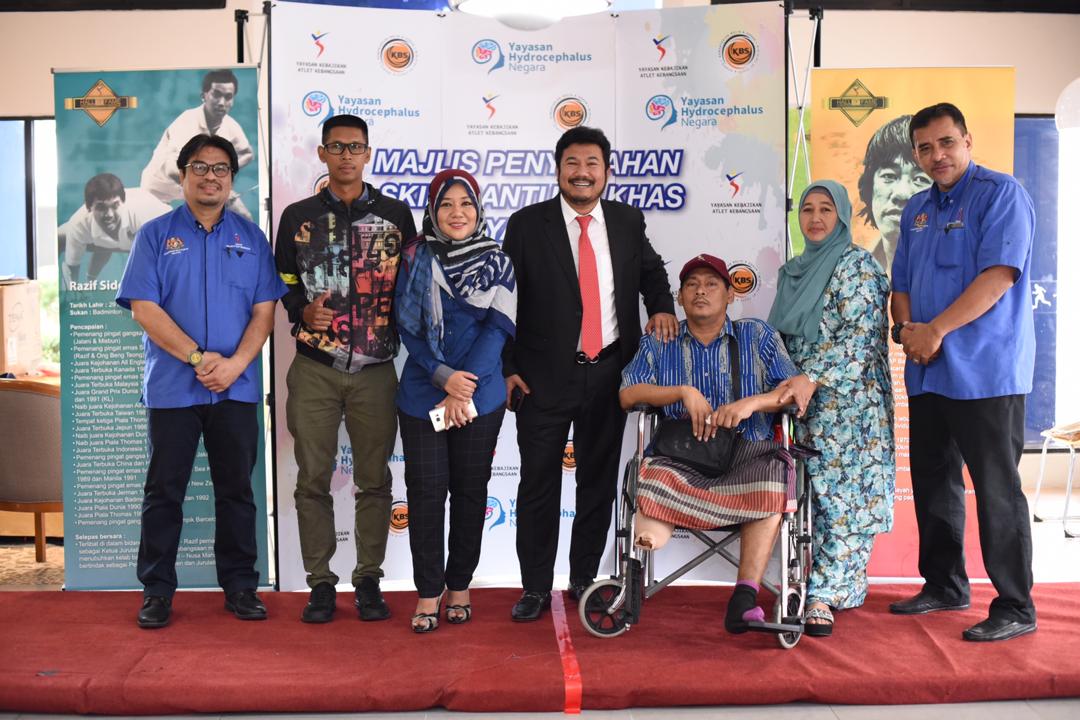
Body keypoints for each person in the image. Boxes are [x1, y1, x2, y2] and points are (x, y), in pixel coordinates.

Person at [502, 126, 677, 622]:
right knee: (537, 486)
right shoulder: (526, 225)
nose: (582, 173)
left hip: (609, 376)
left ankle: (583, 580)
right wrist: (508, 367)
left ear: (606, 171)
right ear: (558, 169)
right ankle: (535, 587)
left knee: (596, 485)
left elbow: (651, 273)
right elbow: (504, 301)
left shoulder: (626, 220)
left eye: (592, 163)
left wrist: (662, 307)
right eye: (573, 163)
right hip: (541, 379)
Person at [116, 134, 286, 628]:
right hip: (173, 388)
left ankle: (241, 586)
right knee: (164, 491)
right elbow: (144, 308)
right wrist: (196, 357)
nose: (210, 176)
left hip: (236, 387)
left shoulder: (251, 238)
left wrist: (235, 365)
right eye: (200, 167)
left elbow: (264, 311)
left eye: (220, 169)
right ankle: (156, 591)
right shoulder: (155, 235)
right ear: (182, 174)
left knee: (237, 491)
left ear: (232, 178)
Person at [890, 102, 1037, 642]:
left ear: (967, 140)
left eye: (947, 142)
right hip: (928, 371)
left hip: (986, 372)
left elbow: (998, 277)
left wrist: (936, 331)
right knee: (934, 482)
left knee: (997, 488)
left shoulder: (1001, 194)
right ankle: (945, 584)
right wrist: (908, 330)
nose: (938, 155)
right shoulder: (916, 209)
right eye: (925, 148)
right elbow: (901, 282)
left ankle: (1016, 605)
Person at [620, 254, 814, 635]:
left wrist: (751, 404)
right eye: (692, 285)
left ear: (730, 295)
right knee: (648, 474)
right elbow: (628, 393)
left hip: (749, 454)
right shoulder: (661, 339)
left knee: (776, 476)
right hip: (681, 458)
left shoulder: (756, 335)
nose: (701, 291)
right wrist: (681, 392)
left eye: (711, 284)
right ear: (679, 297)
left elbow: (794, 390)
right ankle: (637, 564)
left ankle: (743, 599)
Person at [275, 113, 416, 624]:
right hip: (314, 366)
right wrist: (299, 309)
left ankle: (369, 578)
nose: (346, 156)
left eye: (355, 147)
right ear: (322, 154)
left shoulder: (396, 216)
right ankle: (319, 583)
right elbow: (283, 278)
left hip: (377, 368)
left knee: (375, 480)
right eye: (336, 147)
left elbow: (412, 284)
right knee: (312, 479)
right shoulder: (298, 216)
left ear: (368, 153)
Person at [768, 180, 894, 637]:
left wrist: (812, 376)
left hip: (850, 406)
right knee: (812, 497)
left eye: (826, 209)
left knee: (846, 498)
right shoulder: (793, 271)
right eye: (807, 209)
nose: (816, 218)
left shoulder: (858, 265)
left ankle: (824, 594)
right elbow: (780, 339)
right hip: (801, 405)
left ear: (841, 216)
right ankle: (812, 583)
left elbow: (861, 338)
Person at [395, 169, 516, 632]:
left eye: (466, 203)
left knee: (469, 492)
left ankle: (460, 585)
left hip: (479, 396)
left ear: (478, 210)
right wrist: (443, 376)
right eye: (446, 204)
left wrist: (463, 386)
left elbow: (498, 328)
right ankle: (428, 592)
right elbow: (407, 325)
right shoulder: (414, 257)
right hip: (423, 392)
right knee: (426, 493)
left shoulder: (499, 262)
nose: (457, 212)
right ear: (432, 211)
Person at [140, 69, 254, 218]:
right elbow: (171, 169)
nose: (222, 102)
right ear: (203, 96)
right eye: (216, 94)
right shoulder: (186, 122)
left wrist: (226, 172)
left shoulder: (230, 125)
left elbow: (247, 153)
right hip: (158, 192)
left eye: (228, 97)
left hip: (191, 190)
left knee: (244, 217)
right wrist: (213, 183)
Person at [59, 173, 170, 286]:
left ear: (123, 202)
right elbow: (71, 268)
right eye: (101, 207)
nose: (109, 214)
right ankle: (90, 282)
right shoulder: (79, 224)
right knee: (59, 237)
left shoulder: (148, 217)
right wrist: (73, 289)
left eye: (115, 205)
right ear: (89, 208)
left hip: (156, 233)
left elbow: (169, 259)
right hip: (106, 239)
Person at [856, 115, 932, 273]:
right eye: (889, 176)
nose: (902, 194)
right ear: (870, 188)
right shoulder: (853, 271)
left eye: (920, 179)